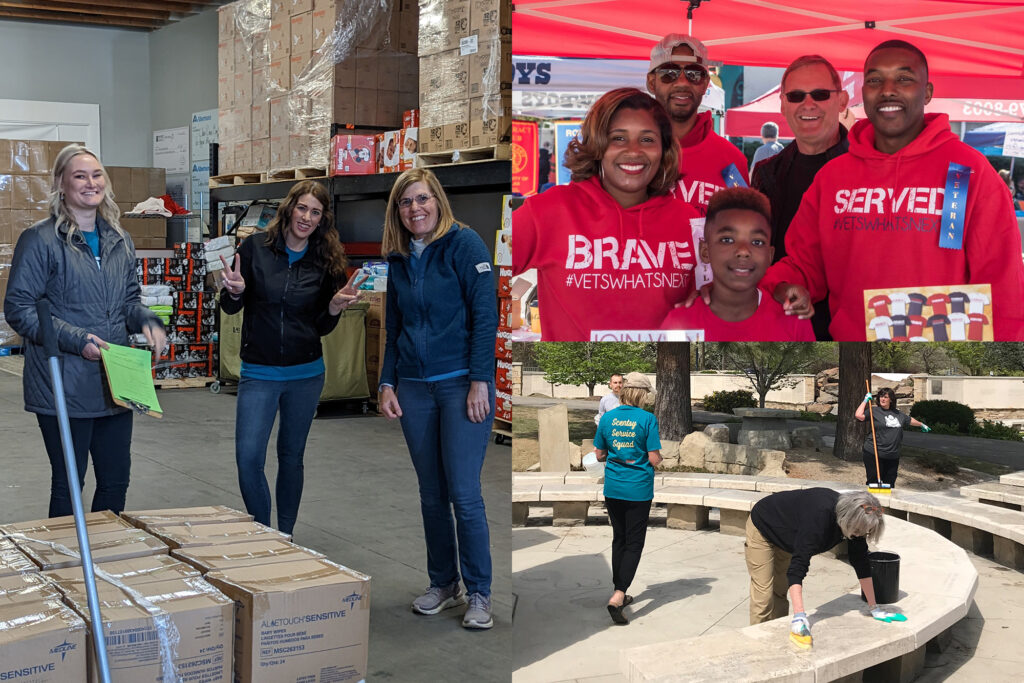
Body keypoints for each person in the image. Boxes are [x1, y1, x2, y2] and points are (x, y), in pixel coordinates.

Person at [758, 40, 1024, 340]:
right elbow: (804, 265)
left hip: (940, 355)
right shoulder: (832, 179)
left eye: (904, 78)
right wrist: (781, 286)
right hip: (853, 349)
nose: (887, 89)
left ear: (927, 92)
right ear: (863, 94)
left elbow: (1002, 290)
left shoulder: (967, 173)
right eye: (874, 80)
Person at [3, 144, 167, 517]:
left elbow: (127, 301)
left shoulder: (118, 239)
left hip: (115, 382)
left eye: (96, 175)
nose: (90, 183)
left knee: (115, 482)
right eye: (80, 175)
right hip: (65, 382)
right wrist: (78, 341)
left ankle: (102, 562)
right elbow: (19, 308)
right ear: (61, 184)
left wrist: (147, 321)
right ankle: (66, 569)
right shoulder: (40, 239)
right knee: (69, 485)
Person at [377, 168, 498, 630]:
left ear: (438, 200)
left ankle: (480, 592)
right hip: (413, 387)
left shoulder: (465, 245)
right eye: (406, 203)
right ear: (398, 211)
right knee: (432, 495)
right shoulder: (401, 256)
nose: (415, 209)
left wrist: (480, 381)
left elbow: (485, 317)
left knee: (464, 494)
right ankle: (444, 584)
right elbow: (396, 326)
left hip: (459, 385)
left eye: (422, 199)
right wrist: (387, 382)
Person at [219, 180, 363, 536]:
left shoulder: (326, 260)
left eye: (315, 212)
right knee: (248, 458)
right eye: (302, 208)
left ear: (322, 218)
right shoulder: (254, 249)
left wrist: (331, 307)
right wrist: (233, 291)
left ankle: (285, 535)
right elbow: (230, 305)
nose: (307, 218)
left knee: (291, 456)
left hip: (306, 374)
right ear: (288, 208)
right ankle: (264, 531)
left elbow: (322, 326)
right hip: (260, 372)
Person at [512, 87, 700, 340]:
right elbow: (487, 274)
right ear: (598, 146)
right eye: (618, 138)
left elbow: (712, 300)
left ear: (663, 149)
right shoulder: (547, 211)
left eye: (647, 139)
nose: (634, 151)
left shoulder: (690, 222)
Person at [752, 55, 851, 340]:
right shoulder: (765, 172)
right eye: (796, 96)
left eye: (820, 94)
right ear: (783, 104)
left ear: (842, 101)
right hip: (780, 321)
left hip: (845, 327)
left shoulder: (866, 170)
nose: (808, 104)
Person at [746, 488, 905, 649]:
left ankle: (776, 636)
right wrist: (800, 615)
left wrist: (873, 607)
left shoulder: (856, 523)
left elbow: (861, 562)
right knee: (764, 595)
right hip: (764, 527)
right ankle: (755, 644)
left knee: (779, 591)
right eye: (856, 531)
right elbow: (798, 568)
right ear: (846, 519)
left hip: (788, 534)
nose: (858, 535)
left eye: (864, 533)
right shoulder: (819, 519)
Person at [661, 187, 814, 340]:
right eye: (727, 240)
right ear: (705, 251)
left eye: (757, 241)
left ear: (770, 256)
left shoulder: (793, 323)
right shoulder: (678, 324)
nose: (743, 251)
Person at [646, 33, 749, 216]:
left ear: (705, 84)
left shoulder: (731, 160)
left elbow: (744, 225)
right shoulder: (630, 153)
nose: (683, 82)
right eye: (669, 73)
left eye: (694, 74)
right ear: (652, 83)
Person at [593, 372, 662, 625]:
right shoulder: (647, 419)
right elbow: (654, 458)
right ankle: (619, 594)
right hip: (638, 490)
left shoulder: (608, 417)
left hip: (613, 488)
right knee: (634, 543)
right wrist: (656, 460)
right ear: (642, 394)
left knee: (619, 538)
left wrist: (616, 454)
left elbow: (599, 454)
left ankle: (617, 590)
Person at [855, 387, 929, 487]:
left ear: (891, 399)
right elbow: (859, 415)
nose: (882, 399)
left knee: (889, 483)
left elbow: (910, 420)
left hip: (893, 455)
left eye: (885, 397)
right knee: (874, 482)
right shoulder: (874, 411)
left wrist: (921, 424)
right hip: (874, 453)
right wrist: (865, 401)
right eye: (881, 396)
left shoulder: (898, 413)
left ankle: (885, 502)